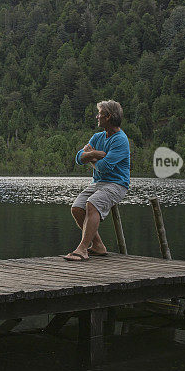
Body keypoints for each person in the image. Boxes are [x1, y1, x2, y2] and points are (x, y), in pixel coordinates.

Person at [64, 100, 130, 261]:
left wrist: (91, 156)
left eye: (99, 114)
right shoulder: (98, 136)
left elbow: (105, 167)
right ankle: (98, 246)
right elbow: (79, 158)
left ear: (108, 117)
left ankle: (82, 249)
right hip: (98, 184)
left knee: (92, 204)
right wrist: (96, 154)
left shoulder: (120, 140)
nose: (97, 116)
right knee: (77, 208)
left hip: (117, 185)